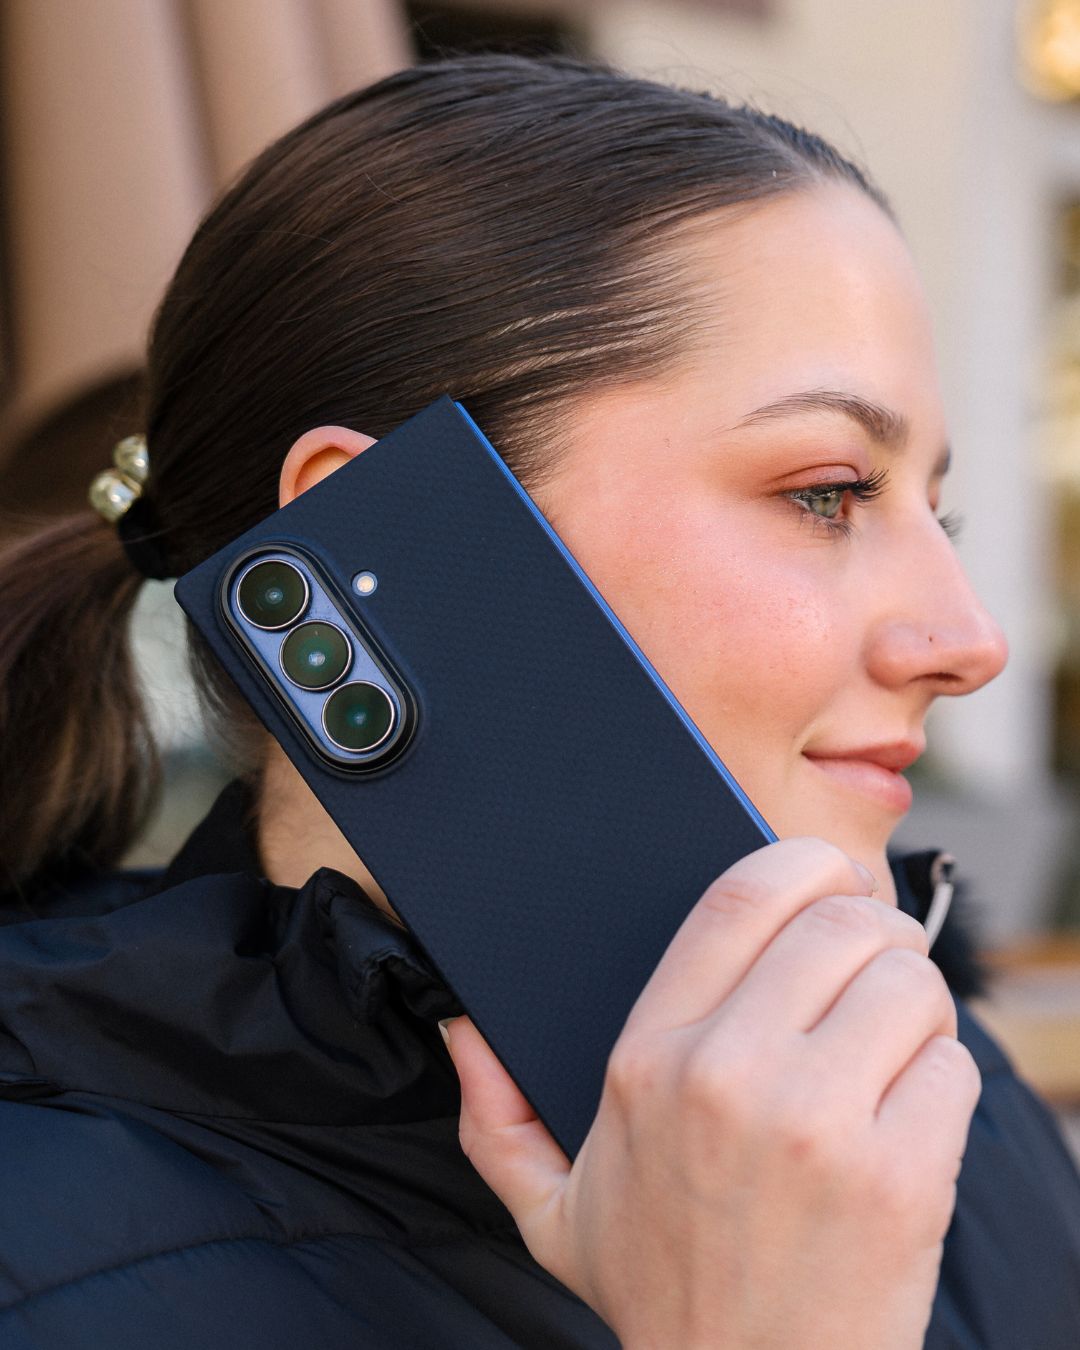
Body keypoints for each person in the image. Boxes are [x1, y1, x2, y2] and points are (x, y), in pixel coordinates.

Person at [0, 52, 1077, 1350]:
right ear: (369, 538)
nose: (971, 639)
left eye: (938, 511)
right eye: (828, 492)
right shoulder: (49, 1264)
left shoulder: (934, 1095)